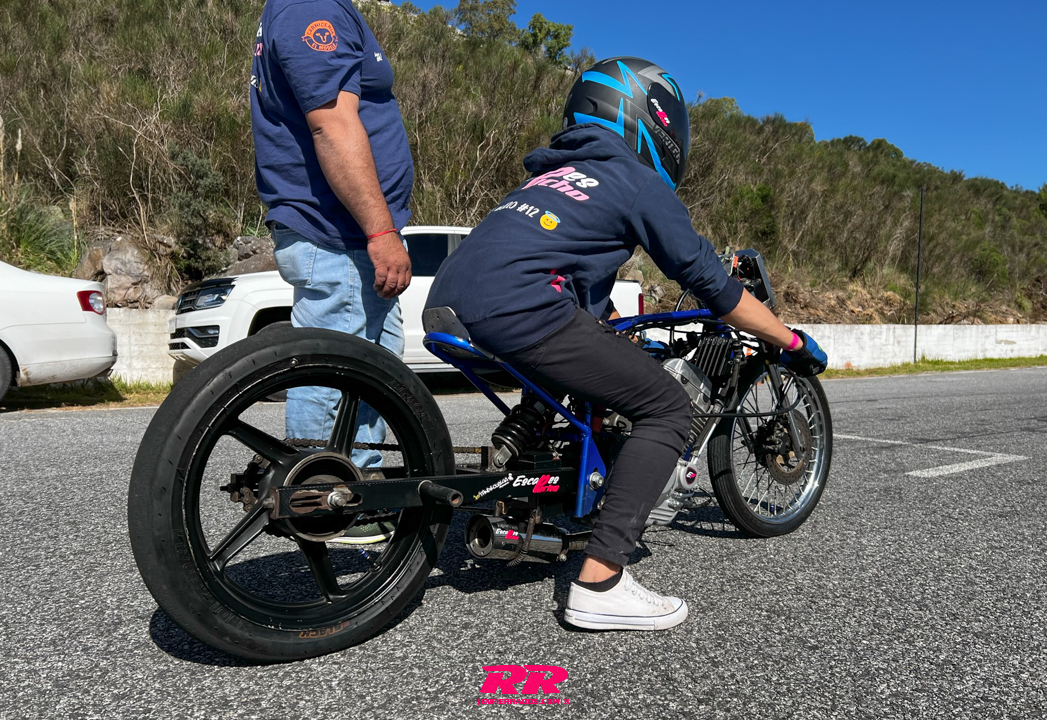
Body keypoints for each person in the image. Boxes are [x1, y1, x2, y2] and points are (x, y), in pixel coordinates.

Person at [425, 57, 827, 631]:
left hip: (452, 298)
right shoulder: (634, 181)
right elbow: (714, 285)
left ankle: (548, 484)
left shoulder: (550, 178)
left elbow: (585, 294)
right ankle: (601, 581)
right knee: (668, 407)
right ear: (653, 122)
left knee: (586, 380)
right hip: (521, 303)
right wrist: (791, 339)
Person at [250, 0, 413, 542]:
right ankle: (322, 501)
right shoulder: (311, 7)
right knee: (333, 371)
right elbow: (332, 126)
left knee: (370, 374)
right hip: (338, 233)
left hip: (348, 235)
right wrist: (381, 232)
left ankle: (358, 487)